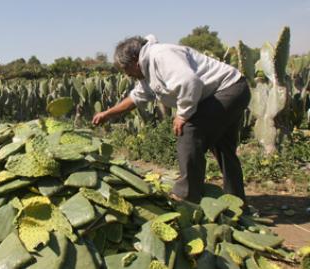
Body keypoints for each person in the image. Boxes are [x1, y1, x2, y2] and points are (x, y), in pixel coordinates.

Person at [92, 34, 250, 204]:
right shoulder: (147, 70)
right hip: (233, 89)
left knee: (189, 131)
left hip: (227, 90)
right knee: (223, 147)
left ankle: (186, 196)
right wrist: (107, 114)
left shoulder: (160, 55)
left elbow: (189, 82)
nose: (127, 75)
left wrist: (182, 115)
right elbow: (136, 98)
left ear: (134, 61)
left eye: (125, 69)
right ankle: (237, 203)